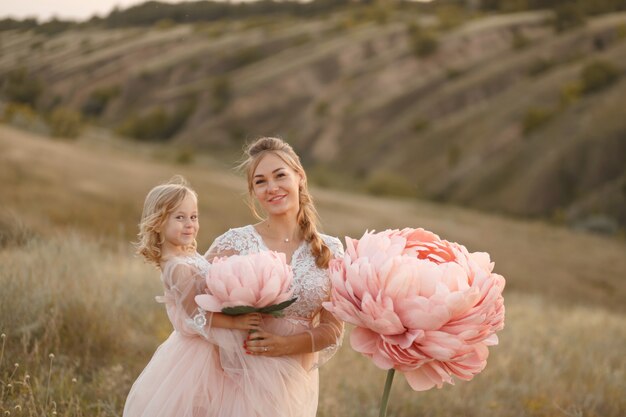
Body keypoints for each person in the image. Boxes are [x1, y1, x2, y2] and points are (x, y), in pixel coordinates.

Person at [205, 137, 345, 416]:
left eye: (280, 175)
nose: (272, 188)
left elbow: (333, 330)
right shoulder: (233, 243)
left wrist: (284, 346)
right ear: (253, 191)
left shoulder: (331, 250)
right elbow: (193, 306)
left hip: (294, 384)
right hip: (237, 381)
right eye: (260, 181)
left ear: (300, 177)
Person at [123, 177, 285, 417]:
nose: (189, 224)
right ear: (157, 223)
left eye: (194, 217)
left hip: (212, 345)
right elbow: (194, 315)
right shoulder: (176, 266)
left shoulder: (188, 255)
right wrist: (235, 322)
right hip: (198, 353)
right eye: (180, 217)